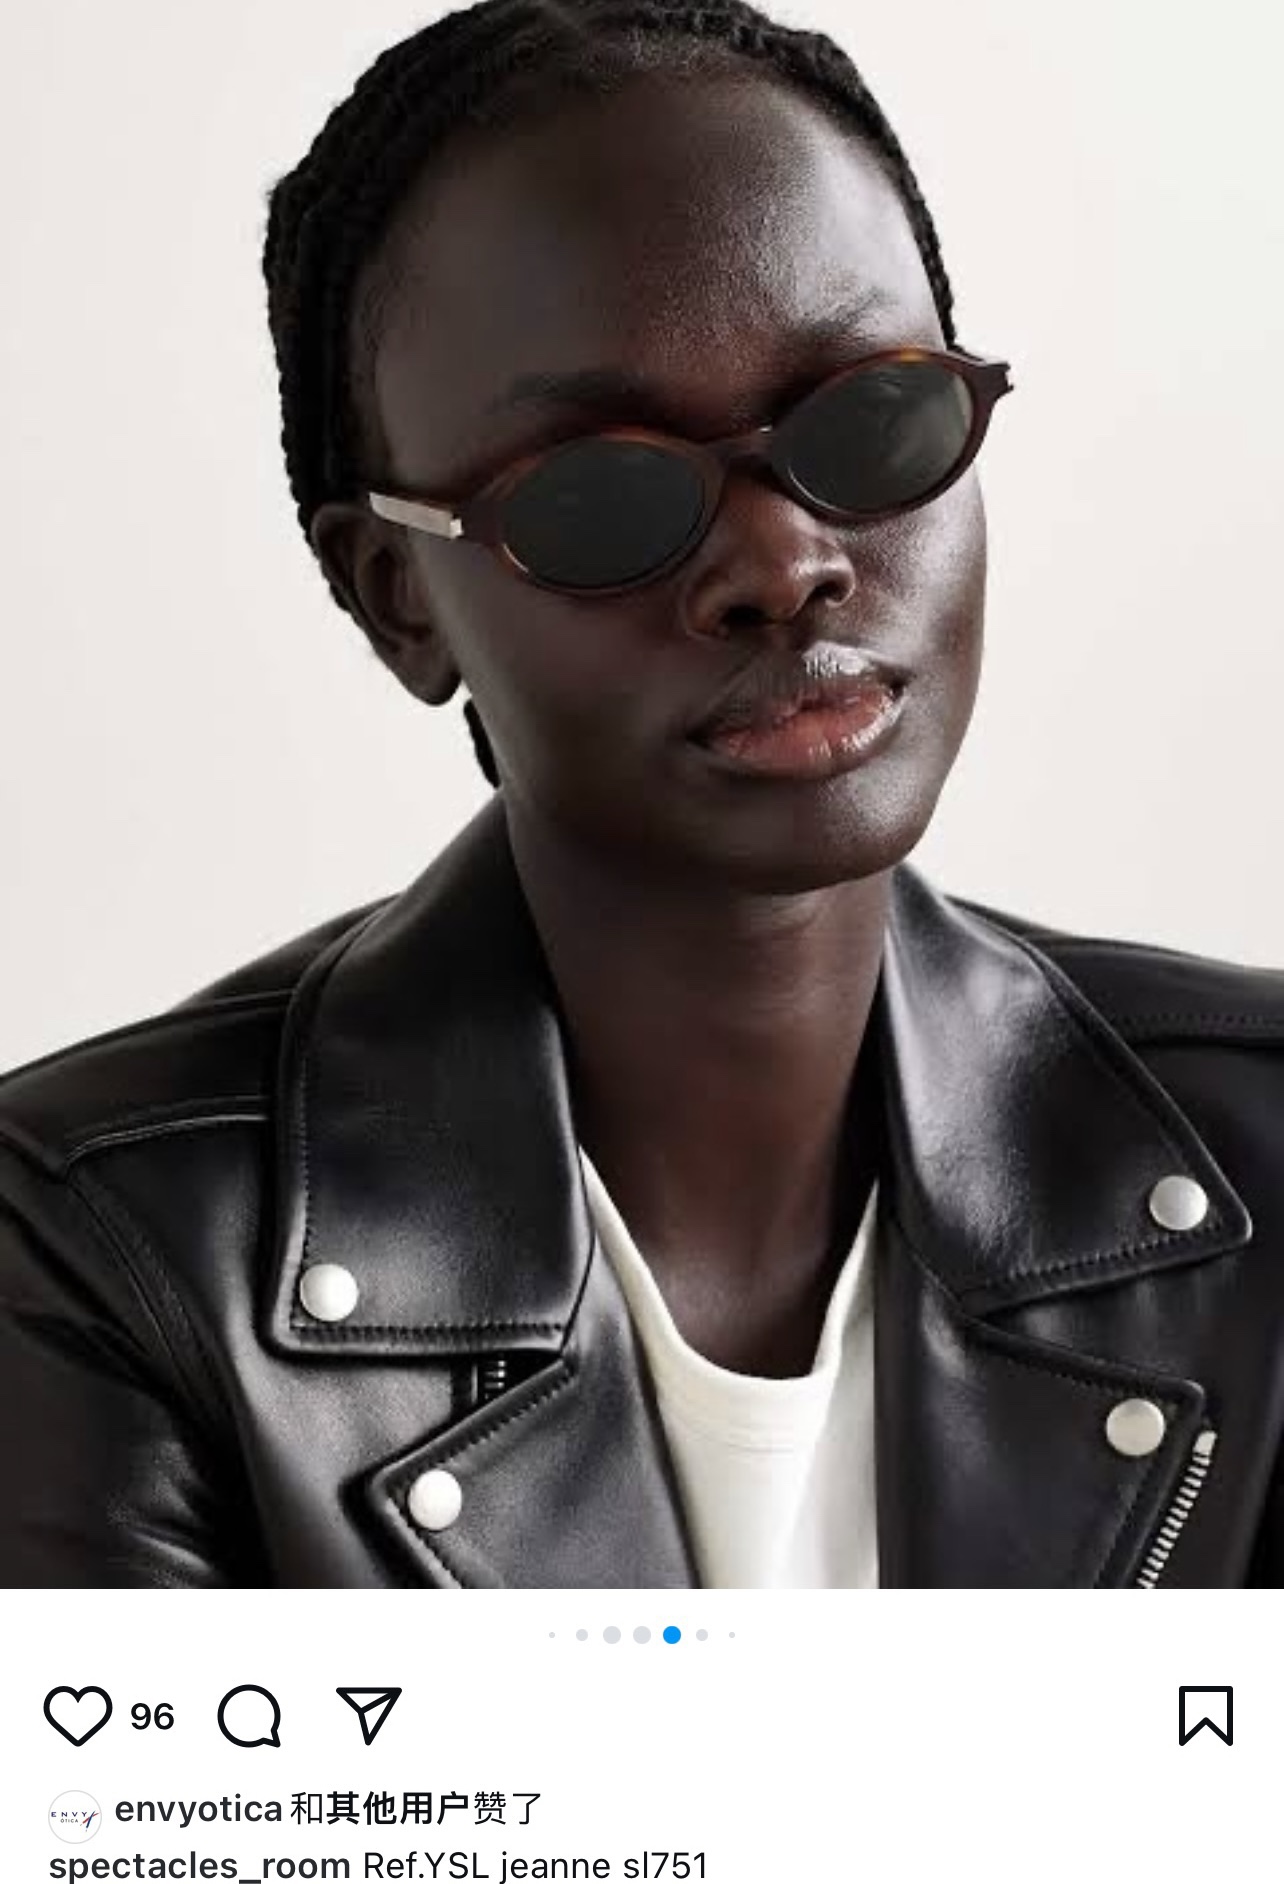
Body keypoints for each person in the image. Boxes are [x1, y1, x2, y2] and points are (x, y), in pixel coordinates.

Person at [2, 0, 1283, 1590]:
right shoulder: (101, 1247)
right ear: (399, 596)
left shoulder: (1266, 1154)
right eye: (603, 493)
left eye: (873, 418)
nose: (784, 562)